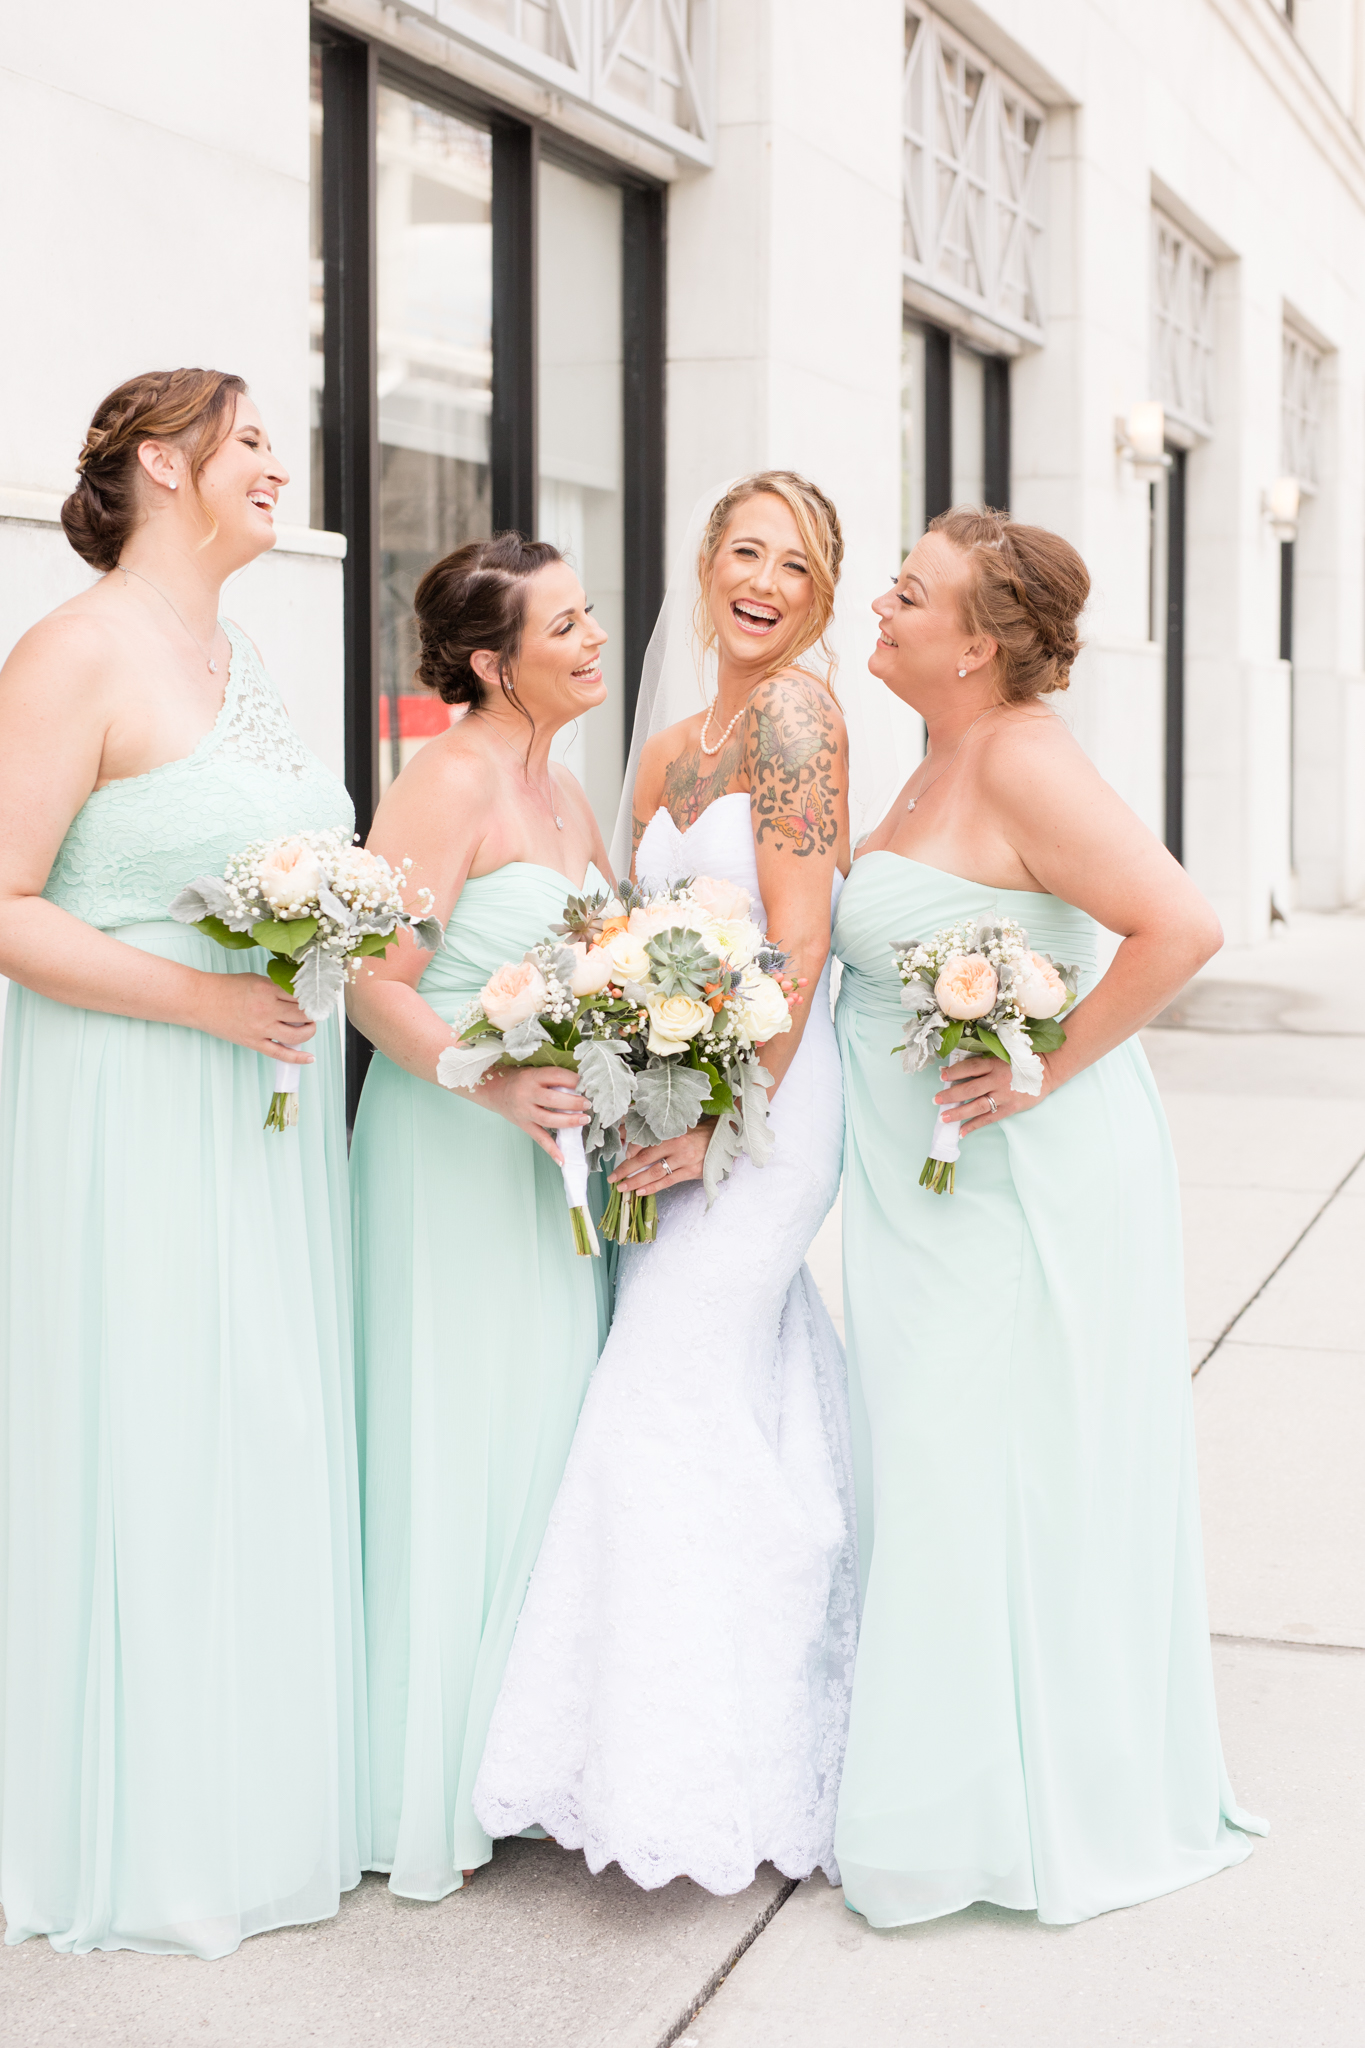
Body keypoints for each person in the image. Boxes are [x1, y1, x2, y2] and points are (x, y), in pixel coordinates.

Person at [831, 505, 1266, 1929]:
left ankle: (1001, 1816)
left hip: (1020, 1183)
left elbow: (1180, 926)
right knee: (944, 1459)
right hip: (925, 1184)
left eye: (907, 595)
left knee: (986, 1461)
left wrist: (1039, 1066)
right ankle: (962, 1784)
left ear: (977, 642)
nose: (877, 610)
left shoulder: (1019, 756)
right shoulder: (936, 749)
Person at [0, 369, 367, 1956]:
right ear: (166, 464)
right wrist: (206, 999)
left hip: (256, 1111)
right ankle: (125, 1825)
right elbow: (6, 909)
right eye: (256, 443)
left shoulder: (247, 656)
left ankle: (248, 1797)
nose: (281, 467)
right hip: (130, 1101)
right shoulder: (70, 653)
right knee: (146, 1420)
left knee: (252, 1423)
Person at [473, 473, 858, 1896]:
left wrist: (719, 1124)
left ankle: (696, 1775)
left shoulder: (801, 718)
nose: (766, 581)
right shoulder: (668, 747)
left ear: (821, 594)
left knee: (661, 1389)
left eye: (799, 565)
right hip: (667, 1109)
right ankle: (672, 1739)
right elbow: (628, 933)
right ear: (704, 565)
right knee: (712, 1397)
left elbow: (798, 948)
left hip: (762, 1115)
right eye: (745, 552)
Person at [347, 533, 615, 1902]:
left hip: (544, 1161)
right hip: (451, 1153)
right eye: (561, 625)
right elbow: (372, 980)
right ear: (485, 660)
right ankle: (427, 1769)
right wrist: (489, 1076)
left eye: (590, 615)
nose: (591, 638)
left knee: (538, 1433)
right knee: (460, 1432)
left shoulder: (563, 791)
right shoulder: (447, 778)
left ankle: (512, 1753)